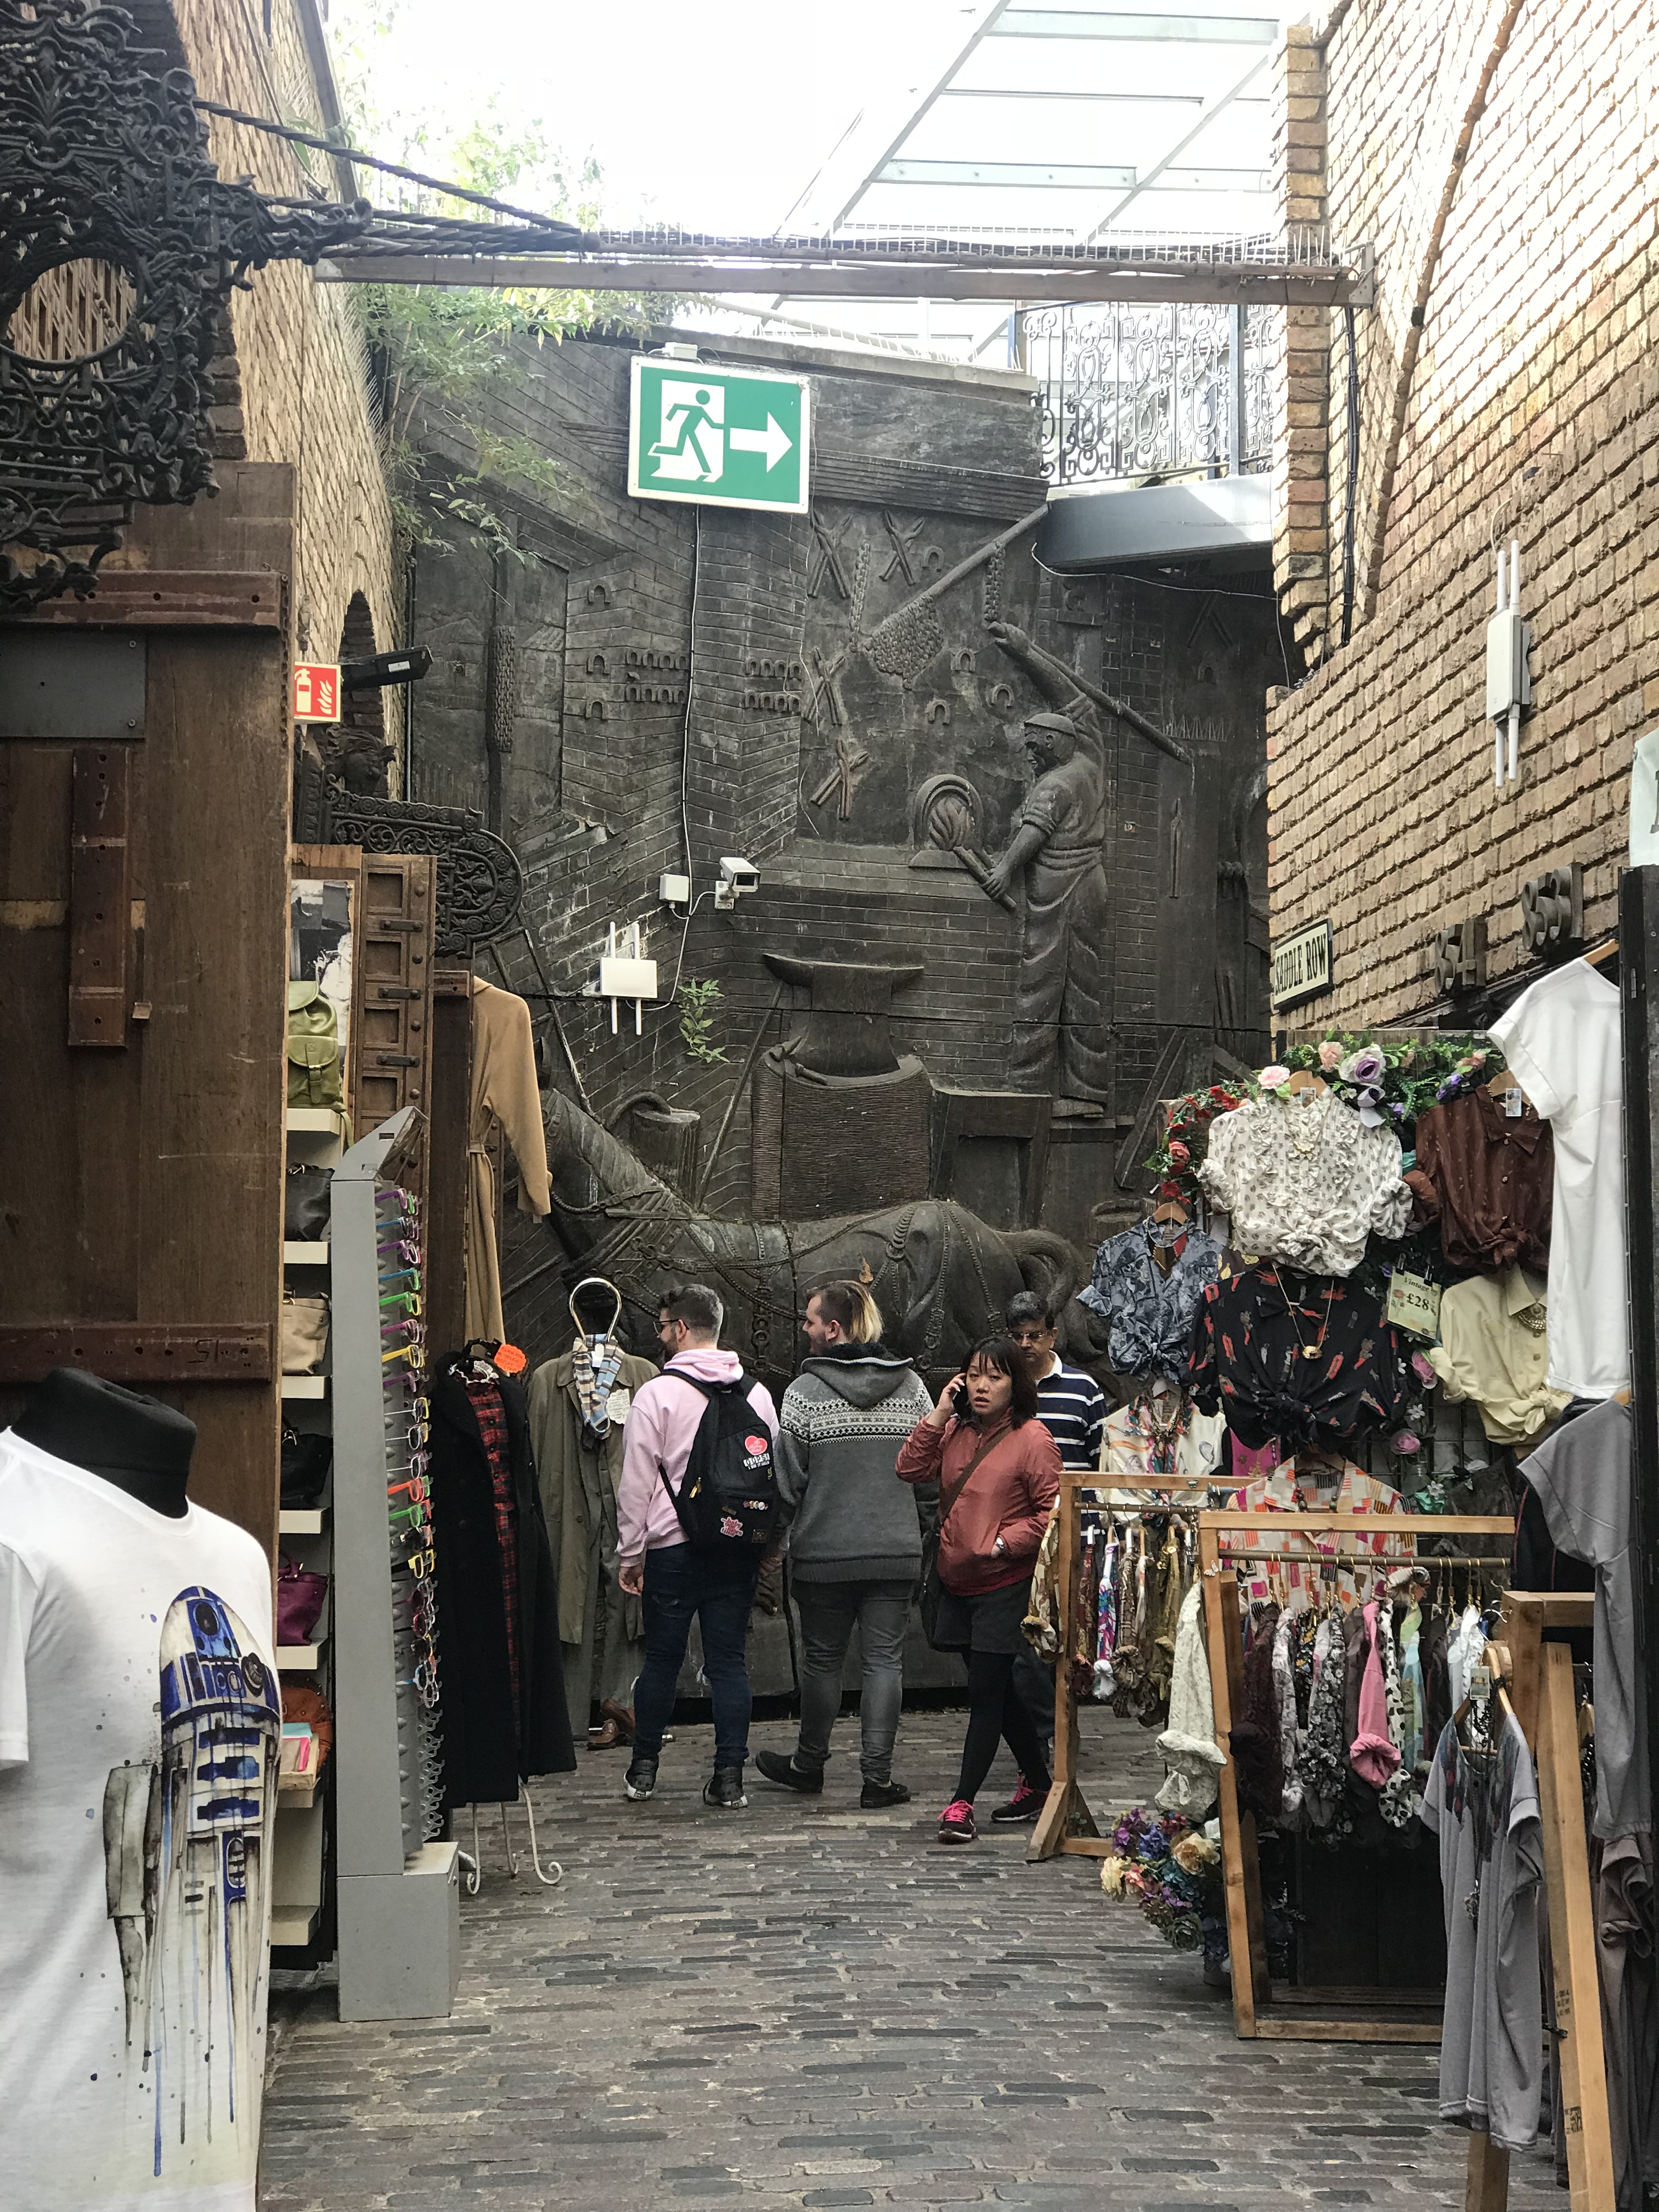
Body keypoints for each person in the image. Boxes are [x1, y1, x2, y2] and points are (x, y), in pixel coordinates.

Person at [757, 1280, 933, 1811]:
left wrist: (774, 1547)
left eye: (810, 1320)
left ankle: (809, 1765)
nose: (805, 1329)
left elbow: (788, 1482)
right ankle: (877, 1779)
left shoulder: (803, 1393)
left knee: (823, 1663)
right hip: (895, 1550)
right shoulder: (914, 1390)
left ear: (833, 1329)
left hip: (823, 1555)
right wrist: (921, 1534)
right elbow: (931, 1472)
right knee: (884, 1663)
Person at [616, 1284, 778, 1810]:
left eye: (663, 1326)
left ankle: (643, 1770)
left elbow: (636, 1483)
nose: (661, 1335)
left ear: (681, 1328)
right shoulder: (756, 1394)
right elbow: (769, 1475)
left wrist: (630, 1553)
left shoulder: (657, 1395)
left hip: (672, 1546)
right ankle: (729, 1778)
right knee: (729, 1661)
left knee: (662, 1659)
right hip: (735, 1545)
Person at [896, 1336, 1061, 1846]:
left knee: (985, 1694)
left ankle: (961, 1803)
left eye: (995, 1376)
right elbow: (908, 1468)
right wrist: (939, 1413)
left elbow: (1054, 1514)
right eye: (973, 1375)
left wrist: (1006, 1542)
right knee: (1000, 1689)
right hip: (957, 1581)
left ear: (1016, 1383)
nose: (982, 1386)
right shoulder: (956, 1431)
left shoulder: (1033, 1438)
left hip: (1004, 1583)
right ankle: (1040, 1785)